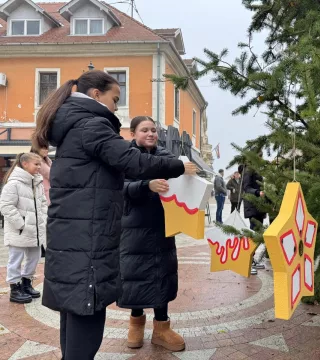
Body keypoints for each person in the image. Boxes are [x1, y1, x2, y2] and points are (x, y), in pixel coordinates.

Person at [31, 70, 197, 360]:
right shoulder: (90, 125)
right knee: (86, 310)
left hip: (76, 235)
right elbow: (131, 161)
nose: (116, 107)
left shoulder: (74, 125)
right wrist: (179, 166)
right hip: (88, 238)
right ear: (96, 95)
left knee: (75, 310)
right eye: (115, 99)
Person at [118, 116, 186, 351]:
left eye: (154, 130)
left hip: (161, 225)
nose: (150, 134)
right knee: (135, 274)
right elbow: (119, 187)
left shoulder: (166, 157)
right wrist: (145, 185)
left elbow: (179, 173)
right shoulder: (124, 157)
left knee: (161, 274)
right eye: (144, 130)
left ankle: (162, 328)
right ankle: (136, 323)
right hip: (133, 225)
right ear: (133, 133)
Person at [0, 153, 47, 304]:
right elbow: (6, 206)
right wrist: (21, 224)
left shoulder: (37, 182)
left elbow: (43, 204)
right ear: (25, 164)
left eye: (40, 164)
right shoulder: (13, 183)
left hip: (36, 231)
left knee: (34, 257)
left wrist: (43, 220)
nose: (39, 167)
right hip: (19, 231)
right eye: (36, 164)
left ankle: (26, 283)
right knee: (16, 259)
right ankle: (15, 288)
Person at [240, 156, 267, 273]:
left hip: (259, 206)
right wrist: (257, 192)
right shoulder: (248, 170)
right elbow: (246, 188)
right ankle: (247, 261)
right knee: (253, 233)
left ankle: (252, 259)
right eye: (259, 156)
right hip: (252, 205)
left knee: (258, 233)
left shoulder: (257, 169)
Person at [30, 145, 52, 258]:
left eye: (47, 148)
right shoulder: (39, 162)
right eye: (44, 148)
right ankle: (42, 247)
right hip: (43, 193)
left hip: (47, 194)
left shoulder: (46, 160)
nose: (46, 150)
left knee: (44, 223)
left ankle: (42, 247)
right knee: (43, 223)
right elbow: (51, 174)